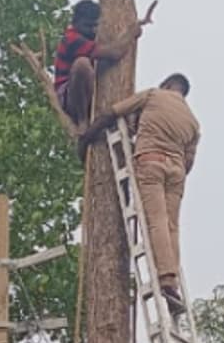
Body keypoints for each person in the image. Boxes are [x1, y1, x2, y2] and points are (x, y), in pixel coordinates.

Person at [80, 73, 199, 315]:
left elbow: (113, 112)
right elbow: (189, 162)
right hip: (176, 172)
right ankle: (172, 277)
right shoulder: (193, 122)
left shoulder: (153, 95)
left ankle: (166, 280)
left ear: (167, 85)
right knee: (171, 226)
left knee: (156, 221)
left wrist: (86, 137)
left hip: (151, 161)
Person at [53, 0, 142, 130]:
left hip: (85, 93)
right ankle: (83, 120)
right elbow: (114, 53)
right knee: (81, 64)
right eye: (88, 26)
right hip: (68, 97)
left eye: (94, 26)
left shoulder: (89, 38)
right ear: (77, 22)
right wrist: (131, 34)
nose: (92, 30)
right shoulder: (72, 39)